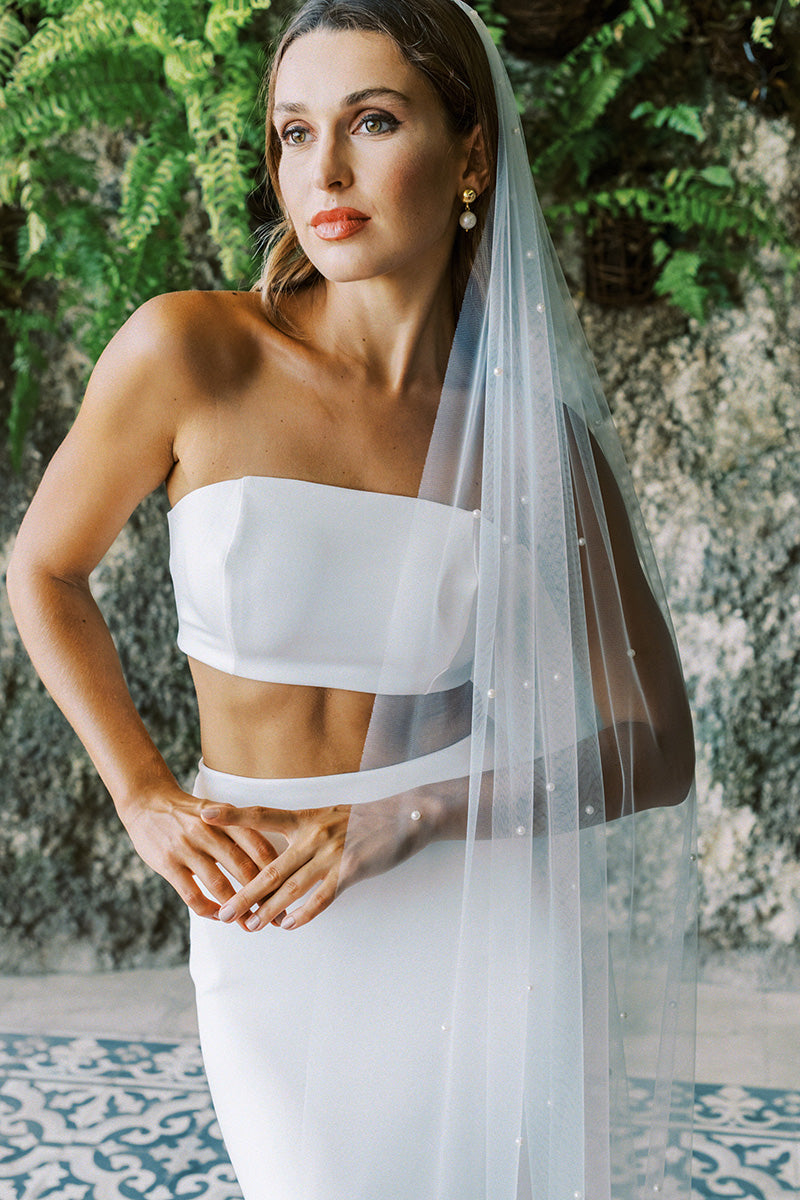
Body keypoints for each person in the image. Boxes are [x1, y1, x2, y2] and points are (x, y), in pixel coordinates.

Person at [7, 1, 698, 1198]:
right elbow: (42, 570)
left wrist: (421, 813)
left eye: (370, 121)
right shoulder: (190, 353)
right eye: (291, 132)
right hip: (261, 900)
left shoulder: (534, 442)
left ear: (470, 154)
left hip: (473, 903)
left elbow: (655, 747)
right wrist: (143, 794)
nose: (319, 171)